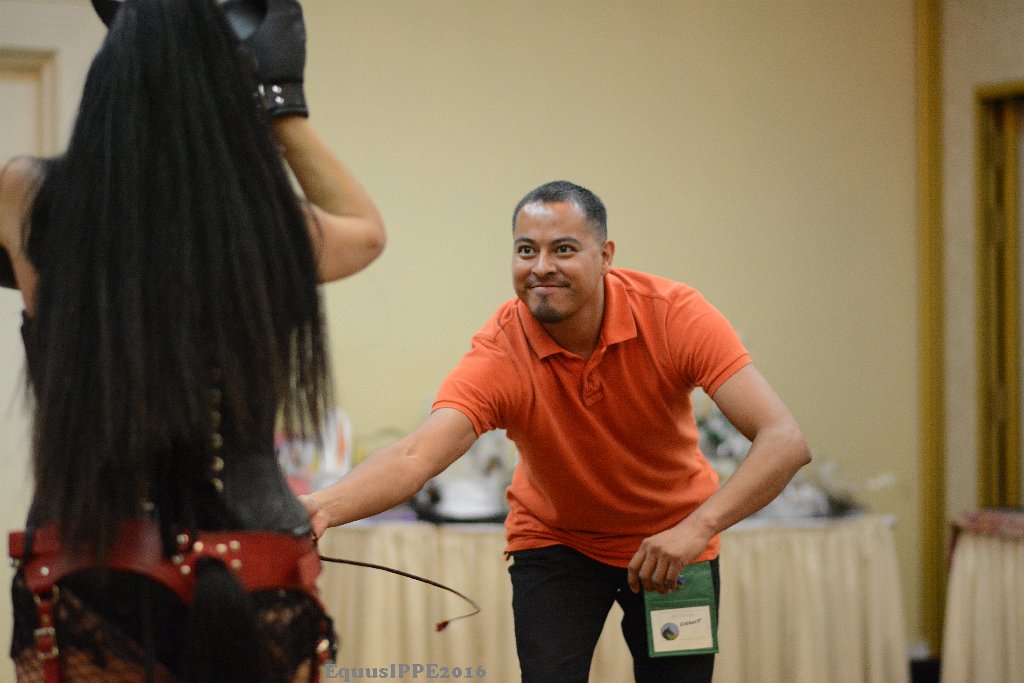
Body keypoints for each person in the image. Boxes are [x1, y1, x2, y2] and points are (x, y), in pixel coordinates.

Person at [0, 0, 385, 680]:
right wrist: (282, 104)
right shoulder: (269, 226)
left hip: (86, 564)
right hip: (258, 558)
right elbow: (366, 233)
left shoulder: (29, 195)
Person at [302, 180, 811, 683]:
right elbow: (415, 455)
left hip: (674, 543)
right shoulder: (502, 351)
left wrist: (697, 529)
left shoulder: (673, 315)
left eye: (563, 249)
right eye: (527, 250)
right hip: (557, 543)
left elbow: (784, 441)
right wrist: (321, 507)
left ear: (605, 256)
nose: (541, 266)